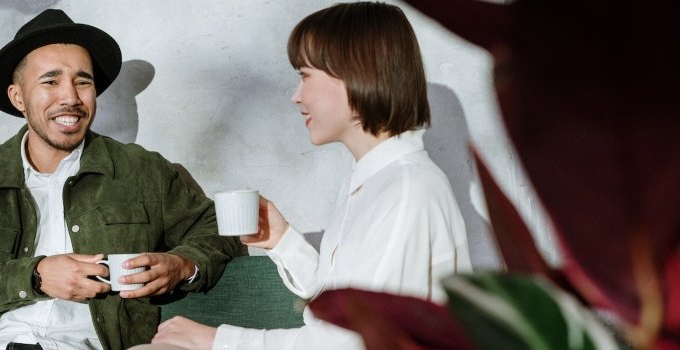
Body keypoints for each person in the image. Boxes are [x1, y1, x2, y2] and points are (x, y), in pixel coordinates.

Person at [139, 2, 473, 350]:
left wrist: (216, 339)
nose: (296, 96)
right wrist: (281, 239)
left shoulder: (407, 190)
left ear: (355, 73)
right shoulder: (373, 181)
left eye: (304, 75)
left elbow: (351, 341)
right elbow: (341, 302)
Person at [0, 9, 243, 350]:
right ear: (18, 98)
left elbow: (218, 229)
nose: (71, 98)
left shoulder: (143, 171)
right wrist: (36, 276)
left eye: (83, 81)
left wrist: (182, 265)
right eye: (50, 81)